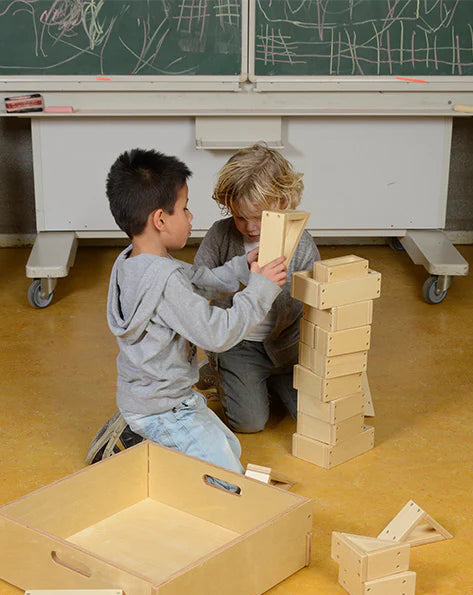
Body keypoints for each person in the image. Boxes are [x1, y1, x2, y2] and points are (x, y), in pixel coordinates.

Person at [86, 148, 287, 474]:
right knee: (226, 475)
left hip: (157, 395)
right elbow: (217, 333)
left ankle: (139, 429)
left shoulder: (135, 262)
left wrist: (241, 267)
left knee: (231, 446)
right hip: (164, 408)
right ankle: (137, 435)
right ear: (160, 220)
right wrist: (260, 290)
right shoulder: (166, 282)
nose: (191, 217)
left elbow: (195, 280)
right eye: (185, 208)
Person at [193, 143, 320, 433]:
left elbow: (315, 303)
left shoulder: (301, 243)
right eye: (240, 217)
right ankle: (222, 371)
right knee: (249, 423)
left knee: (310, 417)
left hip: (288, 347)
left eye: (259, 217)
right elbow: (198, 283)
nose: (250, 228)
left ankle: (268, 381)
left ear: (283, 203)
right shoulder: (220, 235)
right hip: (240, 345)